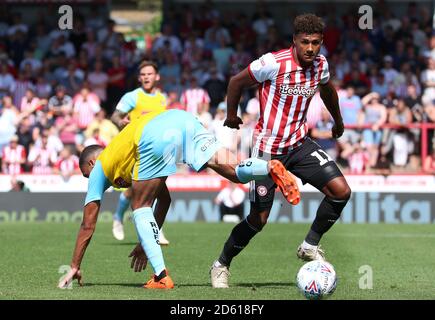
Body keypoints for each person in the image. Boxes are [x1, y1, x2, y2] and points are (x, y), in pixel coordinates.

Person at [57, 109, 299, 289]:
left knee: (138, 206)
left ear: (91, 163)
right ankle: (267, 167)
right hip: (184, 121)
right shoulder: (125, 157)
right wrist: (147, 242)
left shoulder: (101, 167)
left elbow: (87, 224)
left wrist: (75, 265)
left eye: (85, 174)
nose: (88, 180)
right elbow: (165, 201)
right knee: (235, 172)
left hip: (155, 134)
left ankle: (161, 277)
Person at [209, 13, 351, 288]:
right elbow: (236, 82)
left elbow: (328, 91)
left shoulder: (320, 65)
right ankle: (221, 264)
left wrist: (338, 120)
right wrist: (231, 115)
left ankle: (310, 244)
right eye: (305, 42)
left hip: (299, 145)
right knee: (258, 219)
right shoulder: (272, 63)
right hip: (267, 151)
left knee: (341, 192)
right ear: (294, 41)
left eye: (316, 43)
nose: (311, 48)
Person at [110, 60, 169, 244]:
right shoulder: (132, 97)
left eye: (149, 74)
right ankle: (119, 219)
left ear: (157, 77)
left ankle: (154, 229)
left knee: (155, 190)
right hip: (136, 149)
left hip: (157, 151)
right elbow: (115, 115)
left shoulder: (161, 99)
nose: (146, 77)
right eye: (143, 75)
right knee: (133, 190)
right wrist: (120, 122)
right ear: (139, 78)